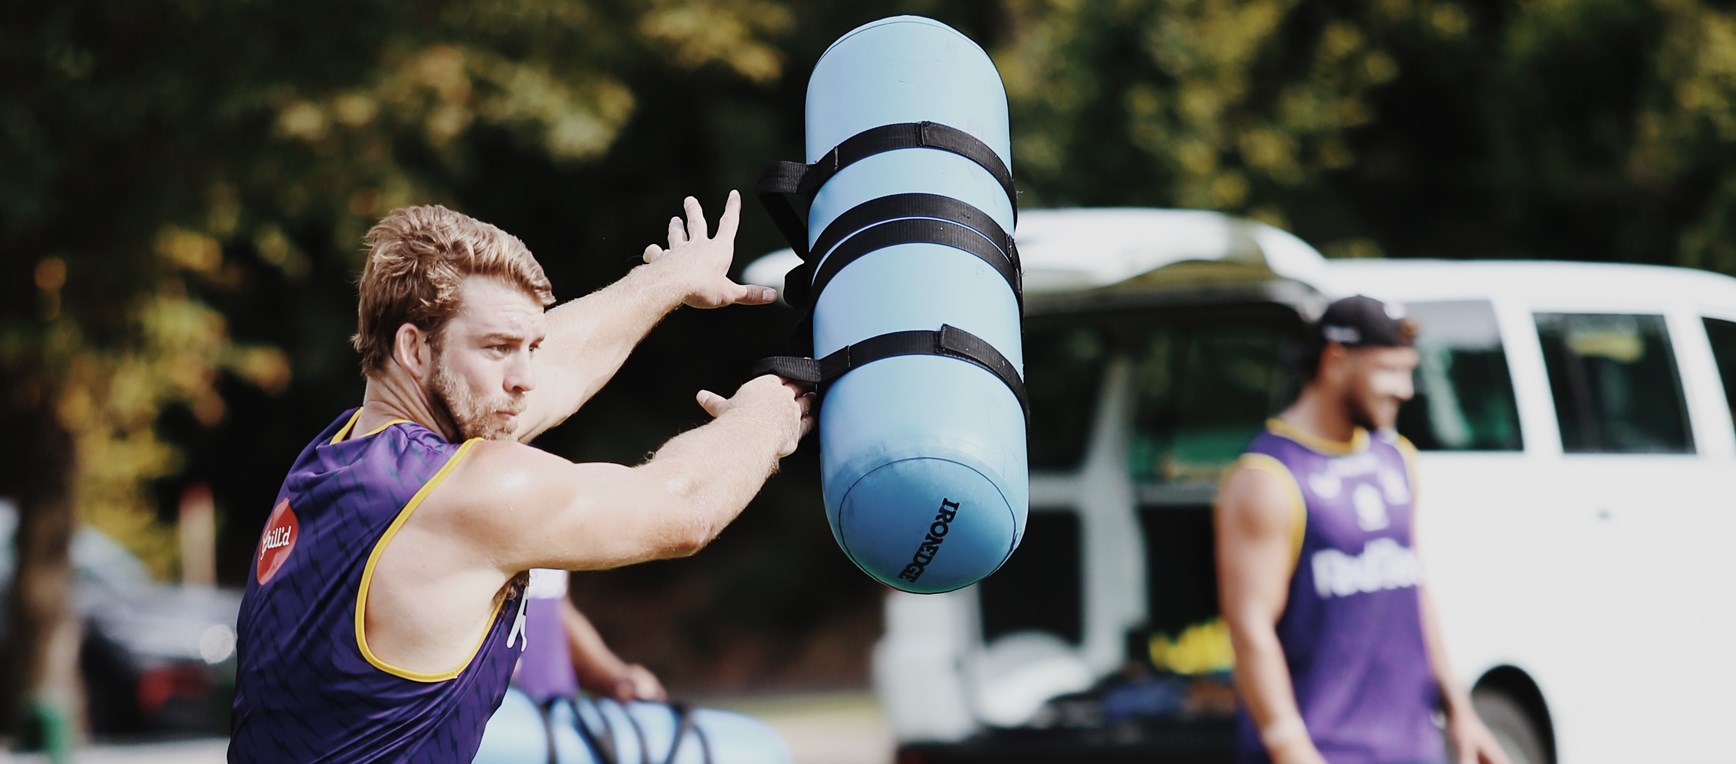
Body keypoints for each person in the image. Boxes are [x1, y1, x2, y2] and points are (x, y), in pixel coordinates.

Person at [229, 192, 812, 762]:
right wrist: (776, 407)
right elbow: (683, 507)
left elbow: (557, 366)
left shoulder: (336, 456)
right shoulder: (461, 494)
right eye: (498, 348)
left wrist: (670, 279)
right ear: (414, 348)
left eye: (530, 346)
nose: (525, 378)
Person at [1214, 295, 1509, 764]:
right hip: (1325, 750)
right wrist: (1290, 746)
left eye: (1408, 372)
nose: (1405, 390)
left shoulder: (1397, 457)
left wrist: (1460, 710)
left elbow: (1414, 587)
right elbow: (1250, 627)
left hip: (1413, 747)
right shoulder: (1269, 476)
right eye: (1389, 371)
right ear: (1335, 361)